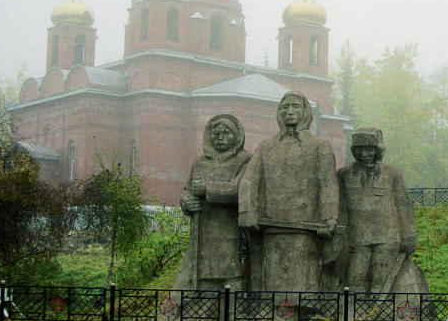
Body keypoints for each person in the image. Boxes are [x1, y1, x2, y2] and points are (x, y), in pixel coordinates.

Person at [237, 91, 339, 293]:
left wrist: (330, 217)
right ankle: (274, 312)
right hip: (271, 225)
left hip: (306, 226)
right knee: (273, 272)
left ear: (305, 112)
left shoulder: (319, 146)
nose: (289, 112)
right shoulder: (266, 147)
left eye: (295, 107)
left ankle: (300, 312)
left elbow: (328, 183)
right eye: (284, 107)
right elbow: (249, 181)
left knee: (303, 274)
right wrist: (247, 212)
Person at [173, 114, 257, 292]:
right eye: (216, 133)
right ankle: (202, 315)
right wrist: (187, 202)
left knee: (232, 273)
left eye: (226, 133)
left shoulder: (246, 160)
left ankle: (231, 316)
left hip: (231, 229)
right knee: (204, 273)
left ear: (236, 136)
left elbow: (240, 191)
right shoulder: (200, 163)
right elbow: (187, 189)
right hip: (204, 231)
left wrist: (207, 189)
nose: (220, 138)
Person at [337, 128, 425, 294]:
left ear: (378, 150)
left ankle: (382, 314)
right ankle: (355, 314)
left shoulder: (392, 173)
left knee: (382, 279)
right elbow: (339, 207)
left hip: (388, 236)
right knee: (356, 277)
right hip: (357, 237)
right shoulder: (344, 174)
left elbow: (404, 205)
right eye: (360, 150)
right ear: (354, 151)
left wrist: (409, 235)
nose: (364, 154)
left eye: (369, 149)